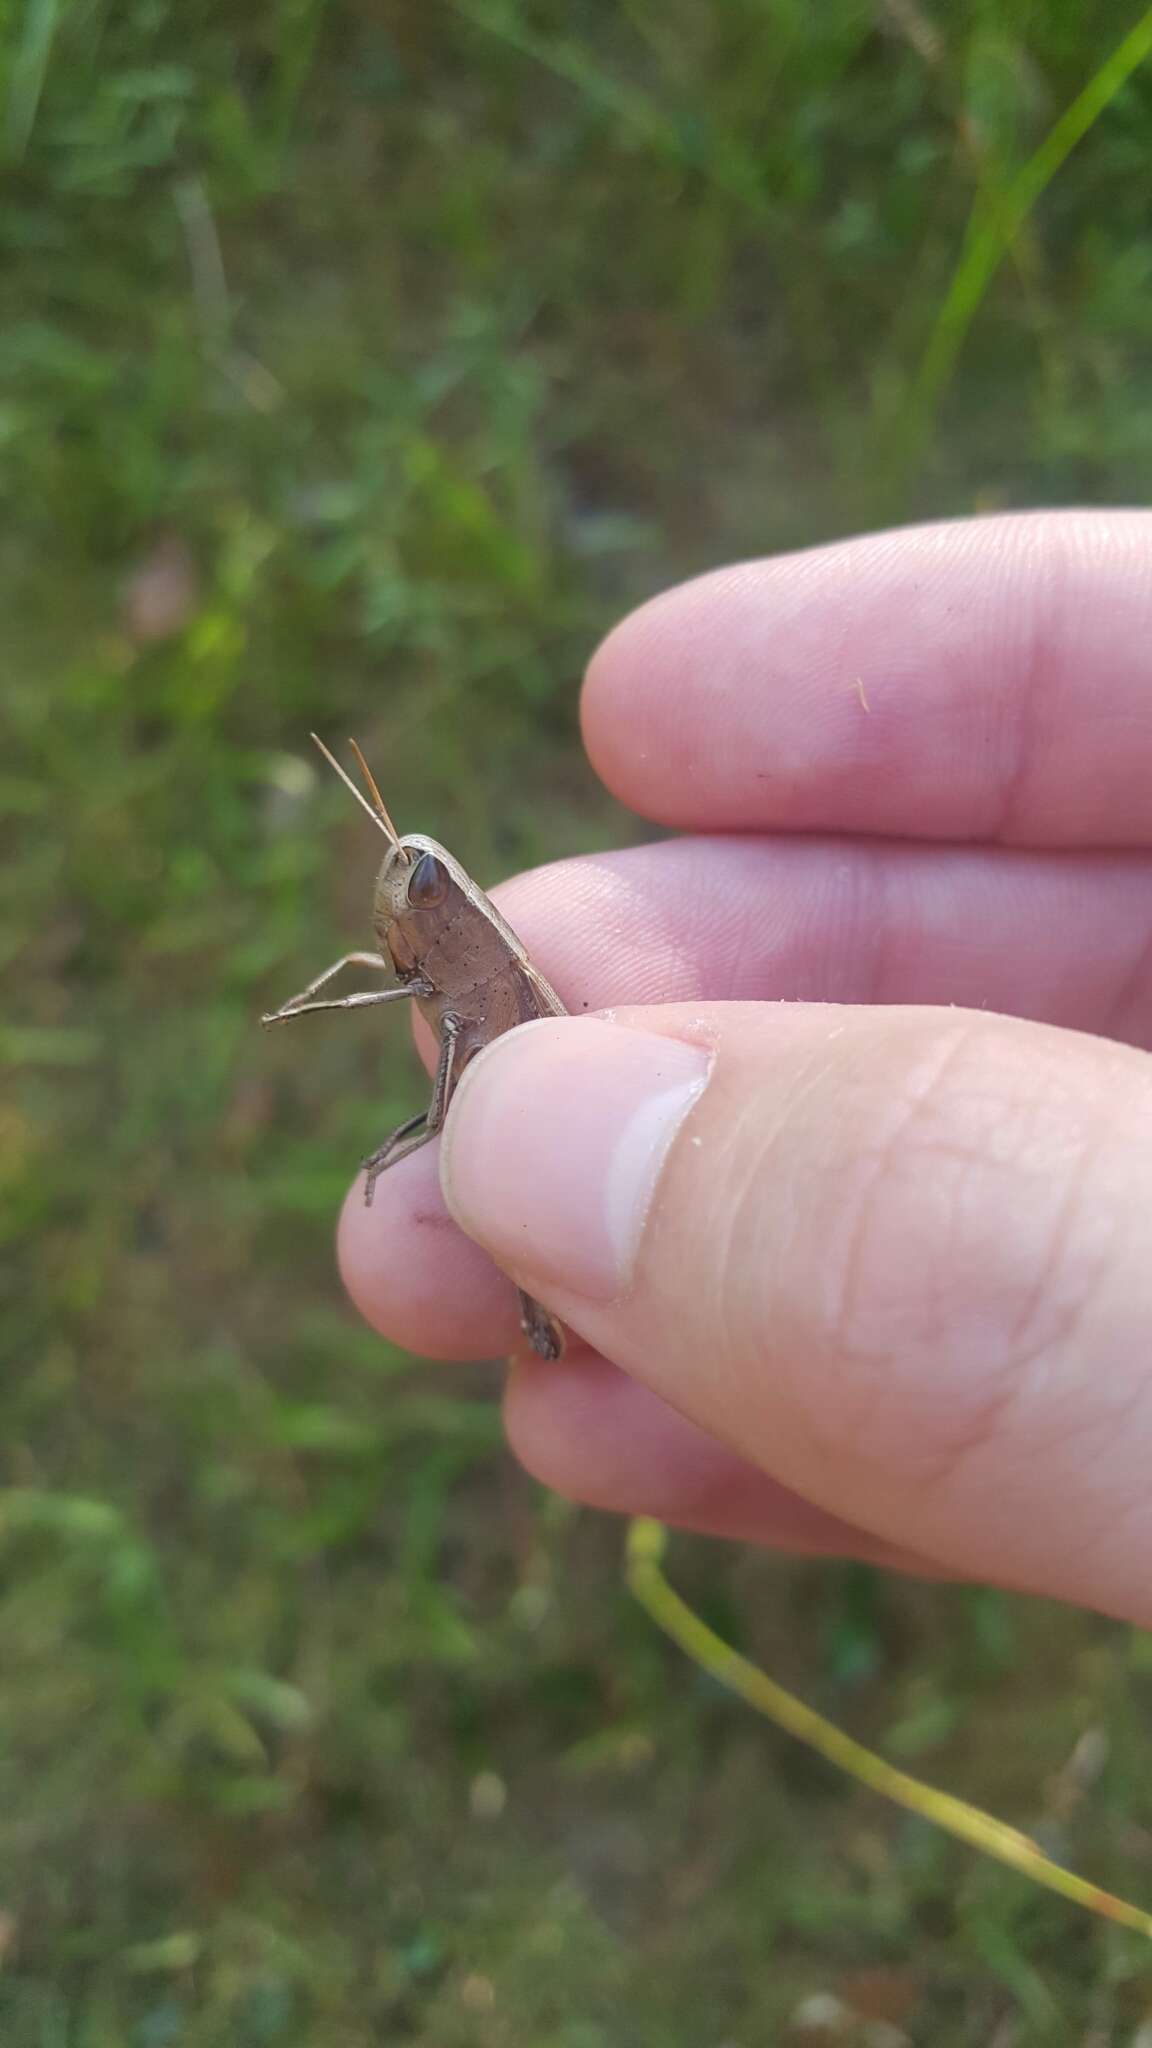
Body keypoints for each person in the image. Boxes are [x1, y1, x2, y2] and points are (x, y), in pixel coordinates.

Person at [338, 511, 1152, 1627]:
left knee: (454, 1135)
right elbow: (416, 979)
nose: (408, 895)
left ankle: (527, 1278)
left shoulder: (481, 952)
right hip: (512, 1071)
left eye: (424, 889)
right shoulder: (440, 945)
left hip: (536, 1062)